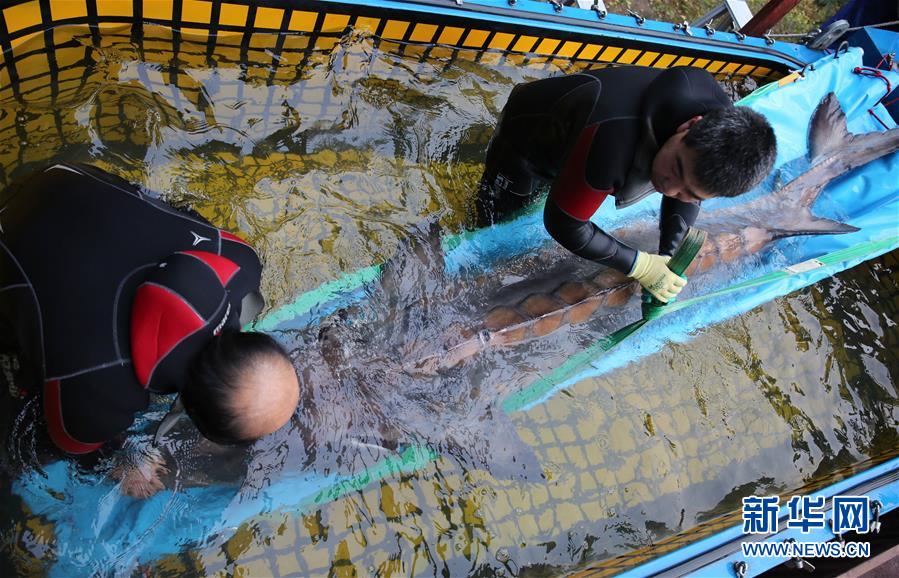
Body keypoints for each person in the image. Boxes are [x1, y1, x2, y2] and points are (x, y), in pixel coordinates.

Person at [0, 163, 300, 493]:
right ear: (195, 416)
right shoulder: (100, 396)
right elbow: (70, 443)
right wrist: (123, 459)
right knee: (24, 457)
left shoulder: (240, 261)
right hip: (8, 232)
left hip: (59, 175)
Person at [476, 65, 777, 302]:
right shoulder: (612, 141)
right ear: (690, 125)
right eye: (676, 168)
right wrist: (640, 266)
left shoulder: (718, 126)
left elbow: (686, 184)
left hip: (581, 138)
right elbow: (563, 223)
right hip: (528, 139)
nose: (670, 191)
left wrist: (667, 257)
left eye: (691, 192)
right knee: (493, 222)